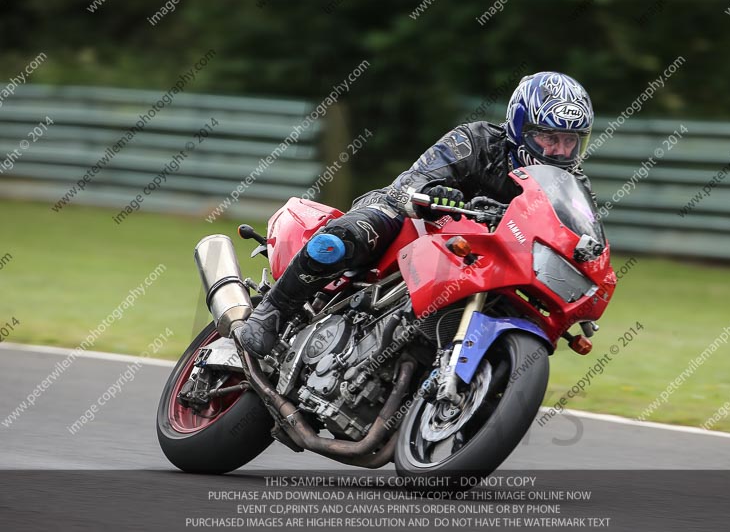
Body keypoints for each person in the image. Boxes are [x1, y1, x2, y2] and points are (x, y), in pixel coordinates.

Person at [237, 71, 596, 358]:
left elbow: (579, 239)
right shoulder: (476, 142)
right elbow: (410, 181)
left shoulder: (572, 185)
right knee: (340, 241)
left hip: (487, 259)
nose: (559, 150)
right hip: (417, 220)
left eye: (570, 141)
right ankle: (272, 311)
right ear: (520, 128)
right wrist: (430, 192)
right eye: (548, 137)